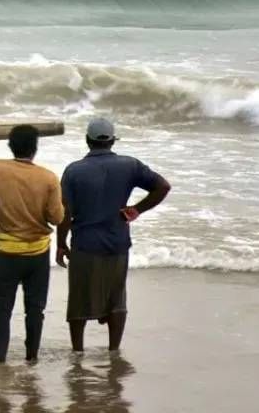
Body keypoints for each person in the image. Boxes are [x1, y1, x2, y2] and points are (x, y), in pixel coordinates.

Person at [56, 118, 171, 352]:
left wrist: (60, 243)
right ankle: (113, 350)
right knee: (116, 299)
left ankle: (78, 351)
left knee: (79, 300)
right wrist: (137, 209)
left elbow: (65, 211)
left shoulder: (74, 170)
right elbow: (163, 186)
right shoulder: (130, 165)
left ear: (87, 141)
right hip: (117, 242)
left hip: (85, 244)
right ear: (111, 141)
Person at [0, 124, 64, 363]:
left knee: (3, 309)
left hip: (6, 250)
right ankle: (31, 357)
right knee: (34, 310)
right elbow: (57, 218)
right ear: (35, 148)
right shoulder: (49, 177)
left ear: (10, 146)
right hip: (37, 252)